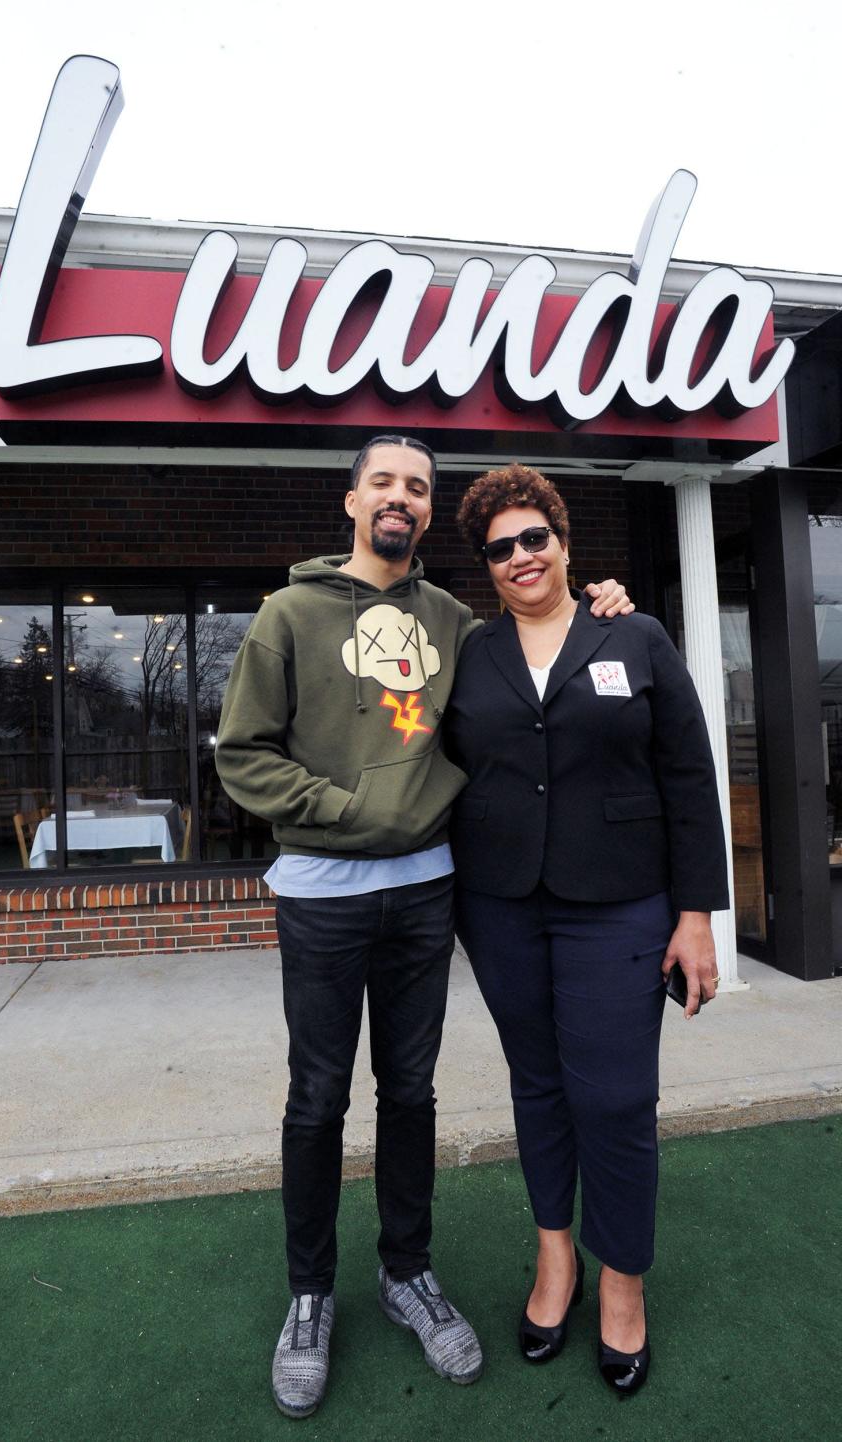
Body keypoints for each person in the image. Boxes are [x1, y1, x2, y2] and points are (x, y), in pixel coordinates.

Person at [215, 436, 632, 1418]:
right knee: (318, 1097)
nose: (400, 497)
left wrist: (604, 602)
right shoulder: (289, 615)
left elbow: (543, 634)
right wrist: (354, 810)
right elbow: (243, 755)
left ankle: (408, 1272)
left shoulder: (451, 614)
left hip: (426, 893)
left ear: (427, 509)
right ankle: (311, 1293)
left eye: (419, 486)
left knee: (409, 1090)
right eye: (386, 482)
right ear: (353, 498)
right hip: (321, 892)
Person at [445, 463, 729, 1395]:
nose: (521, 557)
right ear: (485, 566)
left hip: (621, 907)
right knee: (539, 1088)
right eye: (501, 547)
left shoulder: (633, 634)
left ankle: (622, 1283)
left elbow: (688, 776)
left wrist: (696, 917)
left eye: (536, 538)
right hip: (501, 907)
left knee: (613, 1098)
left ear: (564, 544)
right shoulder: (470, 655)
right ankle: (554, 1260)